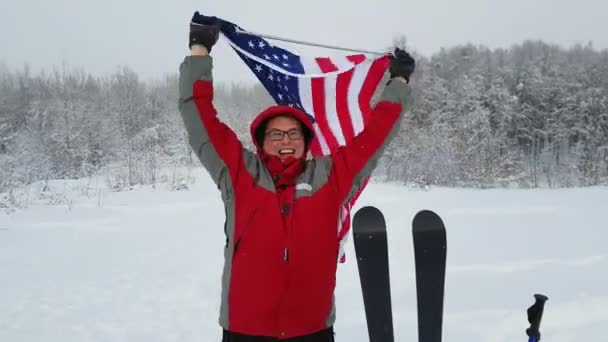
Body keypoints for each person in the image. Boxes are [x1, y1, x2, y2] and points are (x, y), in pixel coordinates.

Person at [178, 12, 415, 342]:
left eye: (293, 134)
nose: (285, 141)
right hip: (246, 330)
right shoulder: (237, 173)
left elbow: (375, 136)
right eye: (275, 134)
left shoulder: (332, 177)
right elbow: (198, 116)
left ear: (306, 142)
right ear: (261, 141)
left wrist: (399, 84)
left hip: (313, 330)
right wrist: (199, 49)